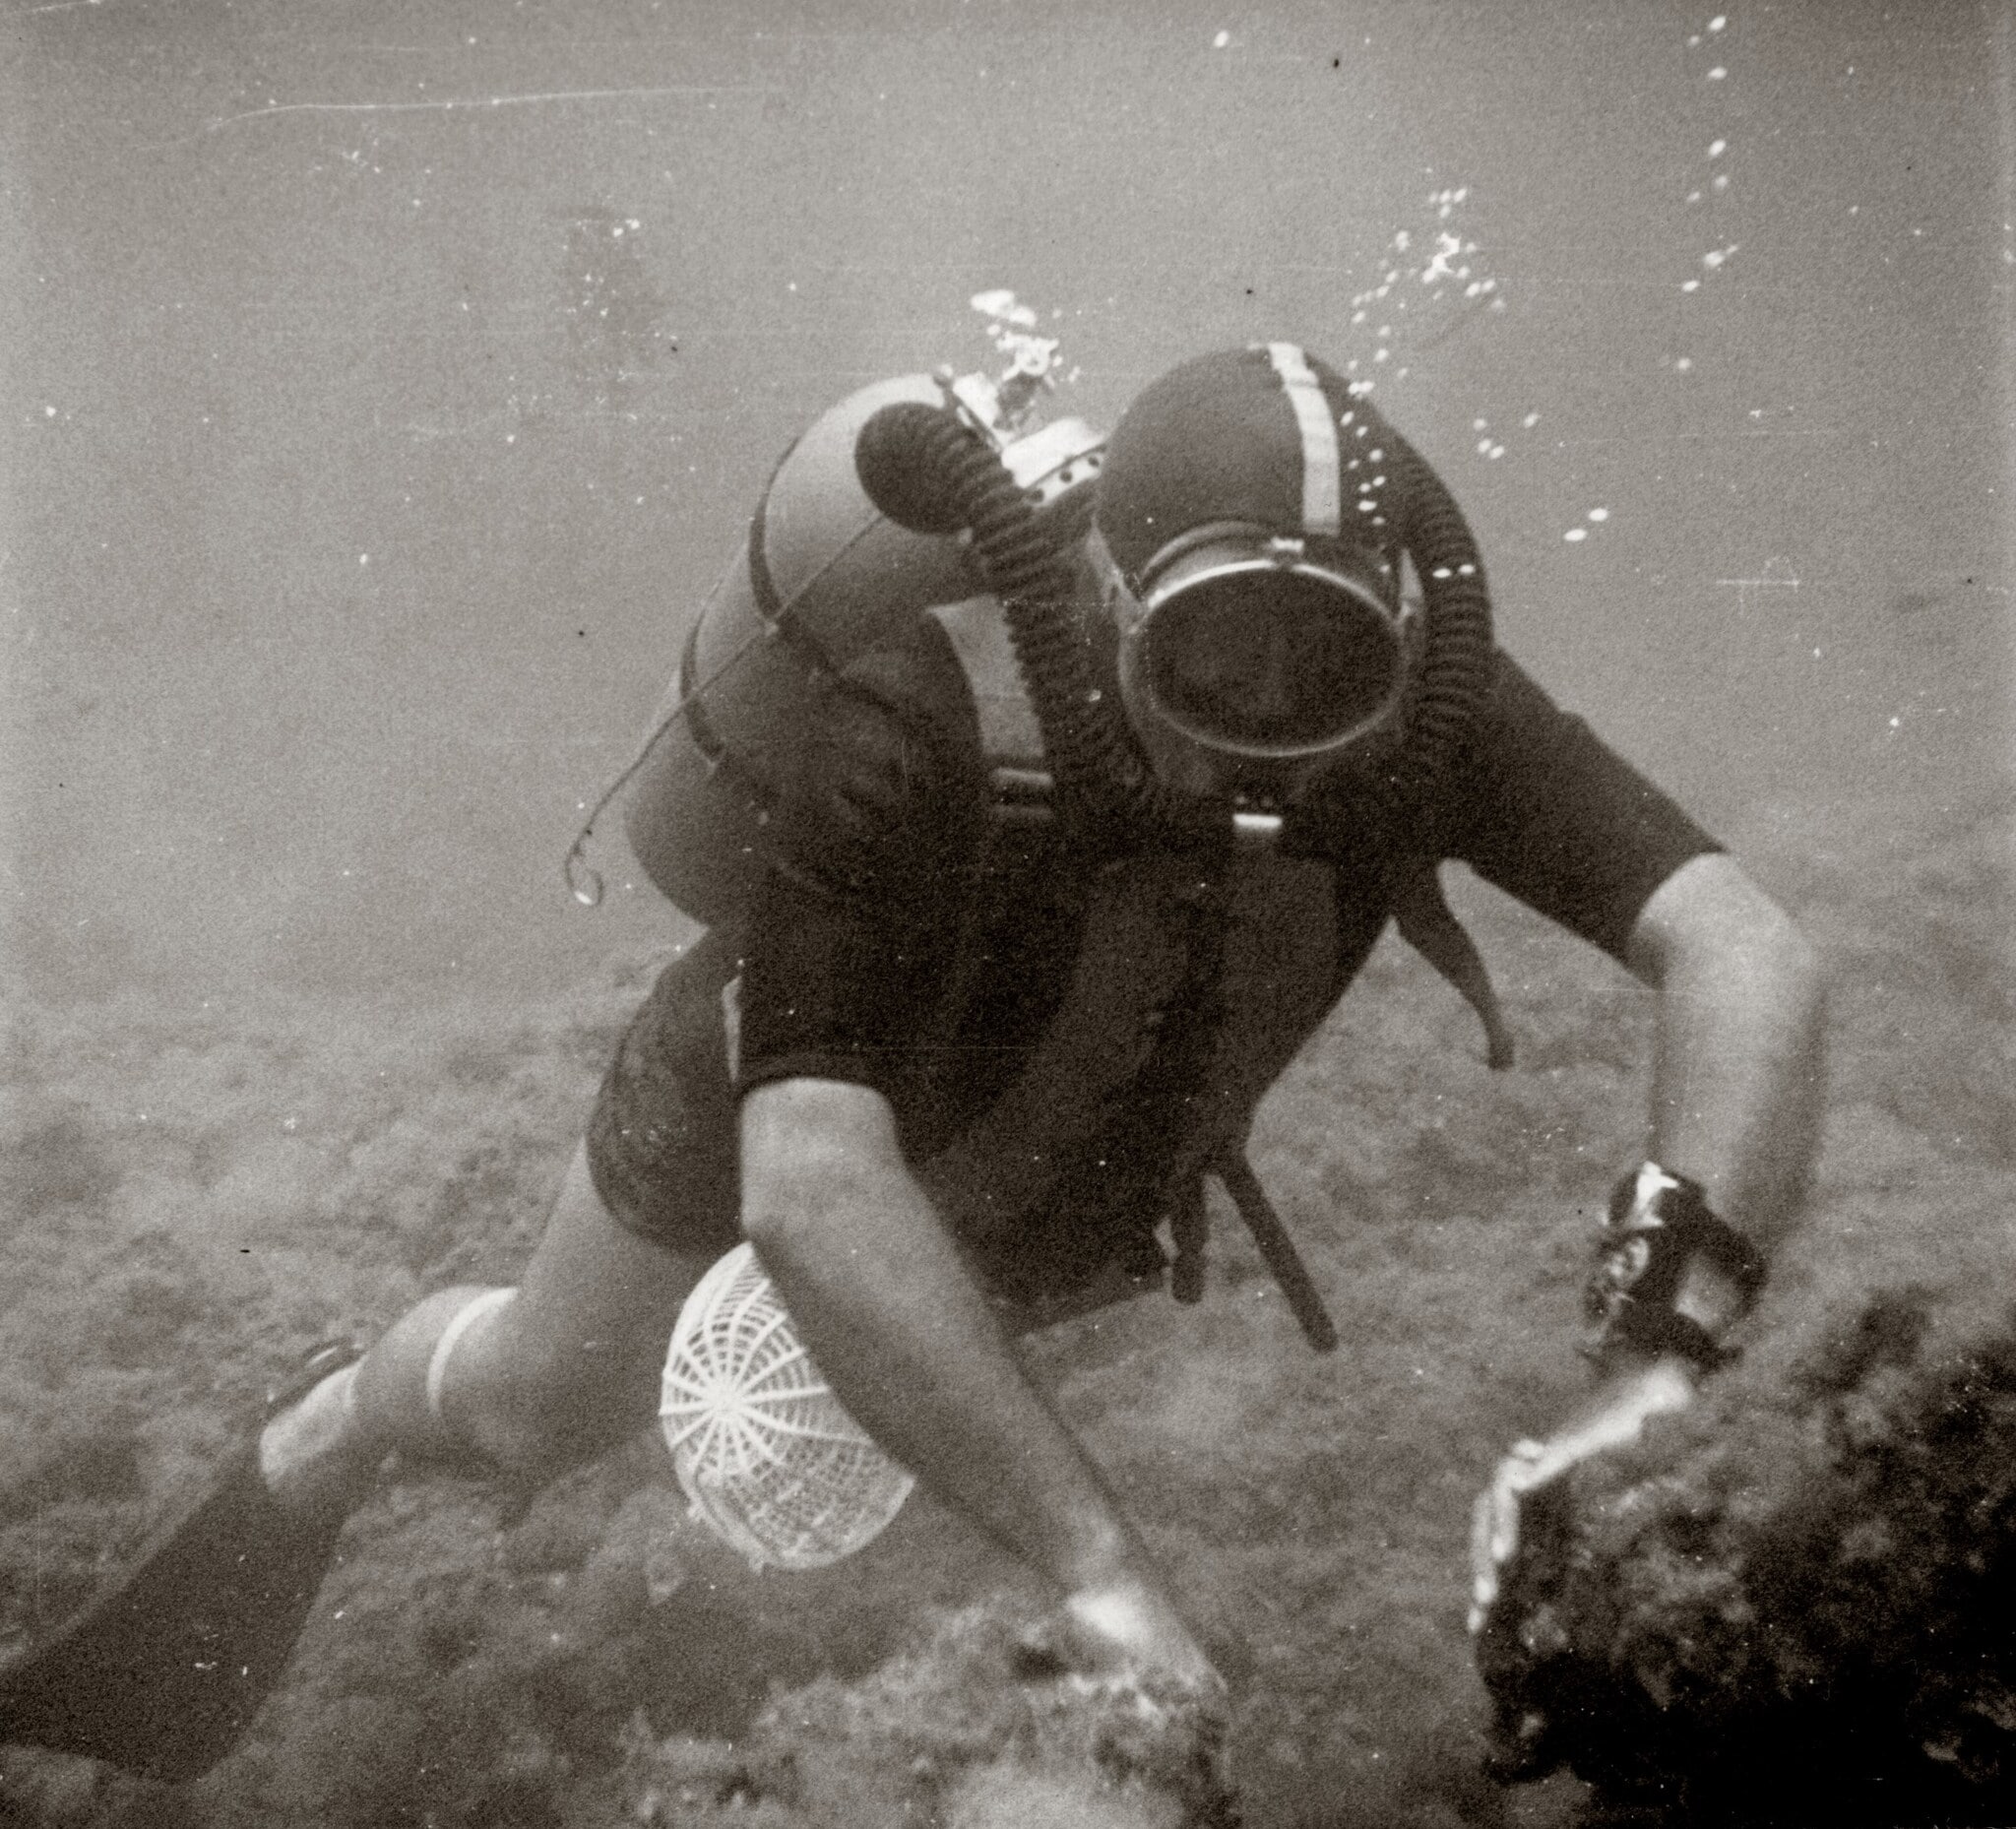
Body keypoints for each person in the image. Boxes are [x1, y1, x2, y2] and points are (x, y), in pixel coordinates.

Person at [0, 342, 1826, 1785]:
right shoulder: (921, 714)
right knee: (531, 1412)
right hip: (761, 1124)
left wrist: (1659, 1360)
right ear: (1107, 605)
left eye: (1320, 666)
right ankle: (335, 1416)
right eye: (1214, 660)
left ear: (1401, 643)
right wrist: (1100, 1567)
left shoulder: (1431, 721)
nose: (1269, 740)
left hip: (1039, 1187)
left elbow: (1739, 947)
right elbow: (803, 1180)